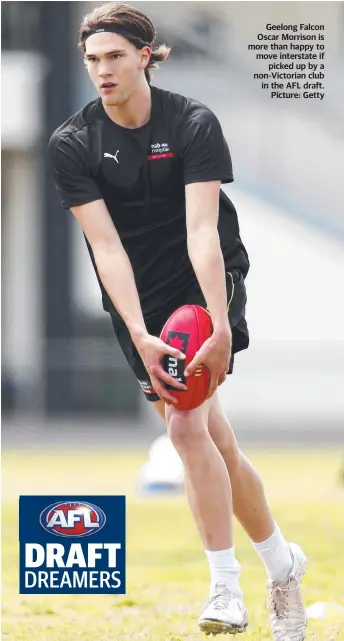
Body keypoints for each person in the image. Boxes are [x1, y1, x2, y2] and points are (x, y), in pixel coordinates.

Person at [48, 3, 307, 638]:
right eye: (92, 60)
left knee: (187, 431)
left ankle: (225, 591)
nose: (101, 70)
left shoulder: (192, 121)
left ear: (146, 55)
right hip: (136, 296)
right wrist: (137, 330)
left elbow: (201, 232)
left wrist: (218, 326)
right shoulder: (72, 144)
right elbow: (105, 247)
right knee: (214, 442)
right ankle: (282, 565)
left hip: (204, 284)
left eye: (114, 56)